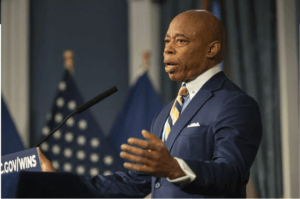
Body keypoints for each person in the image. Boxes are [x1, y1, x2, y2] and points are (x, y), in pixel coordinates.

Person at [39, 10, 262, 198]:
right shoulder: (165, 113)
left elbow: (231, 173)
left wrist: (175, 169)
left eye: (181, 41)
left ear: (211, 49)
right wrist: (59, 183)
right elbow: (136, 182)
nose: (168, 49)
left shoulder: (235, 104)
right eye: (167, 41)